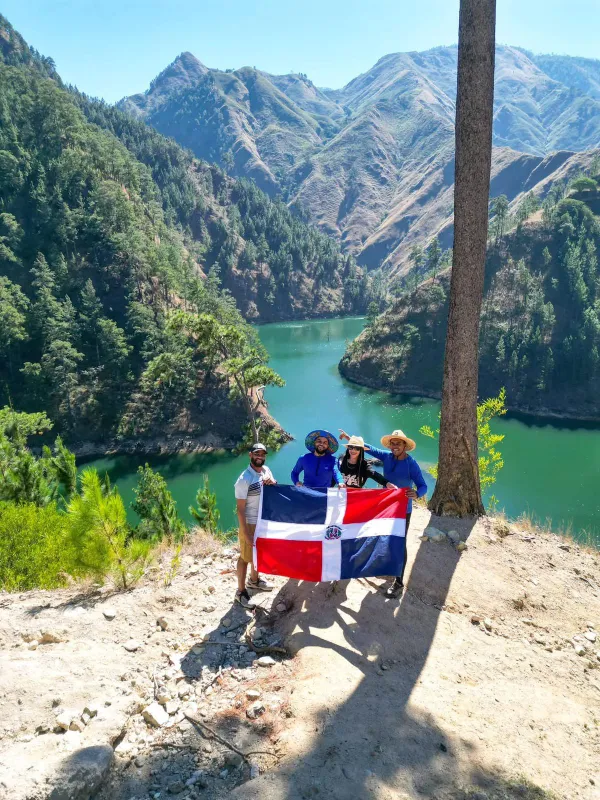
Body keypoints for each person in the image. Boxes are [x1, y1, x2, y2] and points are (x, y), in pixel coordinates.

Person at [339, 428, 427, 598]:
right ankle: (388, 568)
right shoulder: (387, 456)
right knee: (385, 537)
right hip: (386, 507)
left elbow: (423, 485)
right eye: (392, 443)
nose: (394, 446)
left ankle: (399, 582)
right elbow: (368, 448)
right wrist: (352, 440)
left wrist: (417, 494)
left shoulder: (411, 464)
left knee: (399, 543)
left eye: (398, 443)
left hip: (403, 509)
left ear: (404, 445)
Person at [234, 443, 276, 608]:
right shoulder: (244, 480)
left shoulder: (266, 470)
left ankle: (254, 581)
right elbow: (240, 509)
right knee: (244, 557)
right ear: (250, 455)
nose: (260, 457)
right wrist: (245, 532)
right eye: (257, 454)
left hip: (262, 521)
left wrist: (272, 481)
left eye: (262, 454)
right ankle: (240, 591)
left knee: (257, 554)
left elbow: (272, 487)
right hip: (250, 522)